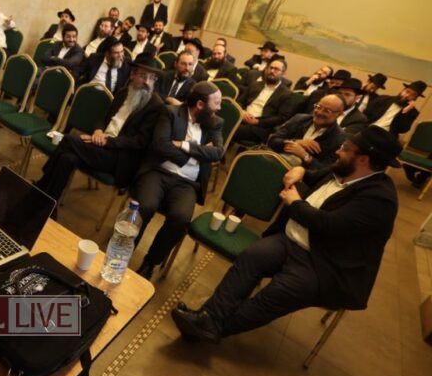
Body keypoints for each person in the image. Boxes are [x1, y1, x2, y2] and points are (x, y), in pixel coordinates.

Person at [171, 126, 401, 342]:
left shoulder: (379, 199)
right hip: (290, 240)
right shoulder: (344, 169)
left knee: (277, 293)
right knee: (251, 257)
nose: (338, 151)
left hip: (323, 264)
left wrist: (295, 203)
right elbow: (311, 175)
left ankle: (214, 326)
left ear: (363, 159)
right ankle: (209, 317)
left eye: (346, 148)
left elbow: (328, 225)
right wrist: (300, 169)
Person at [34, 53, 164, 205]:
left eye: (151, 78)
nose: (147, 82)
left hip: (120, 158)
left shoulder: (155, 105)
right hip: (101, 145)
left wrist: (107, 140)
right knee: (67, 158)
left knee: (68, 140)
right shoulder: (123, 93)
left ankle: (41, 186)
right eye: (142, 76)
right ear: (132, 75)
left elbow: (139, 142)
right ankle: (50, 203)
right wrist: (98, 131)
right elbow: (103, 119)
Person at [132, 82, 225, 279]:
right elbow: (160, 145)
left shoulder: (215, 123)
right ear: (200, 105)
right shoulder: (171, 113)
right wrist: (196, 155)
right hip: (158, 172)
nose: (219, 108)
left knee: (181, 219)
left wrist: (184, 145)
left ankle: (150, 263)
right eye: (216, 103)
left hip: (187, 184)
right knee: (145, 206)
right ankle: (125, 249)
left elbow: (217, 153)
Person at [267, 94, 345, 169]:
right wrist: (297, 142)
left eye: (327, 111)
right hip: (274, 159)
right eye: (318, 107)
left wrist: (305, 156)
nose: (319, 112)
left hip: (298, 173)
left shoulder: (339, 139)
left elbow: (325, 170)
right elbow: (272, 140)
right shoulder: (299, 119)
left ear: (339, 114)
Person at [233, 57, 293, 144]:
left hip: (260, 127)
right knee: (222, 121)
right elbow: (240, 101)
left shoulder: (287, 94)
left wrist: (258, 121)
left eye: (276, 69)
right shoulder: (255, 84)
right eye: (270, 68)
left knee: (232, 127)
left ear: (283, 73)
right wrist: (242, 112)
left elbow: (281, 118)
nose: (272, 71)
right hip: (241, 118)